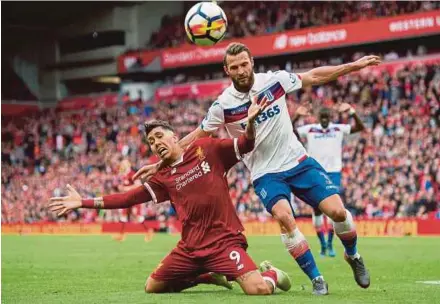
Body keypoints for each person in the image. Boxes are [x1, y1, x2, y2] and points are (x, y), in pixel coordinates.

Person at [133, 42, 380, 293]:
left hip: (297, 161)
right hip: (265, 173)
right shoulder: (223, 105)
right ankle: (317, 278)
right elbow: (198, 134)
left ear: (252, 62)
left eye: (243, 64)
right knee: (285, 217)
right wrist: (160, 163)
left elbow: (313, 76)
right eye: (234, 67)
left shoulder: (275, 81)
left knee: (338, 213)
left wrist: (353, 66)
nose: (240, 70)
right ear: (226, 70)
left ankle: (353, 255)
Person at [48, 98, 292, 295]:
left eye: (159, 137)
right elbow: (128, 199)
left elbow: (246, 145)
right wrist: (83, 202)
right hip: (190, 248)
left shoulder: (207, 149)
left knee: (257, 289)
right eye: (151, 142)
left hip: (223, 243)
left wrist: (249, 124)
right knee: (152, 287)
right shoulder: (163, 177)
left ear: (174, 136)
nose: (156, 143)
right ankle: (208, 277)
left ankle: (270, 273)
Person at [293, 103, 365, 257]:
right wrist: (297, 116)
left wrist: (352, 112)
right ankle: (323, 244)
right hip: (314, 171)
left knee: (333, 210)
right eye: (322, 118)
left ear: (331, 118)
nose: (325, 120)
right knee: (317, 209)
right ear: (319, 118)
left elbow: (359, 127)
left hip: (333, 173)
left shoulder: (337, 129)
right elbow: (290, 132)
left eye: (327, 118)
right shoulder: (310, 129)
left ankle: (331, 244)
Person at [113, 159, 153, 242]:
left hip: (134, 198)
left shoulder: (132, 174)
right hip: (128, 198)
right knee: (124, 215)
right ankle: (121, 235)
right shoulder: (124, 174)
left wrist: (126, 188)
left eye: (123, 164)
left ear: (128, 164)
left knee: (137, 216)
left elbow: (138, 185)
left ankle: (148, 232)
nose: (122, 165)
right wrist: (121, 188)